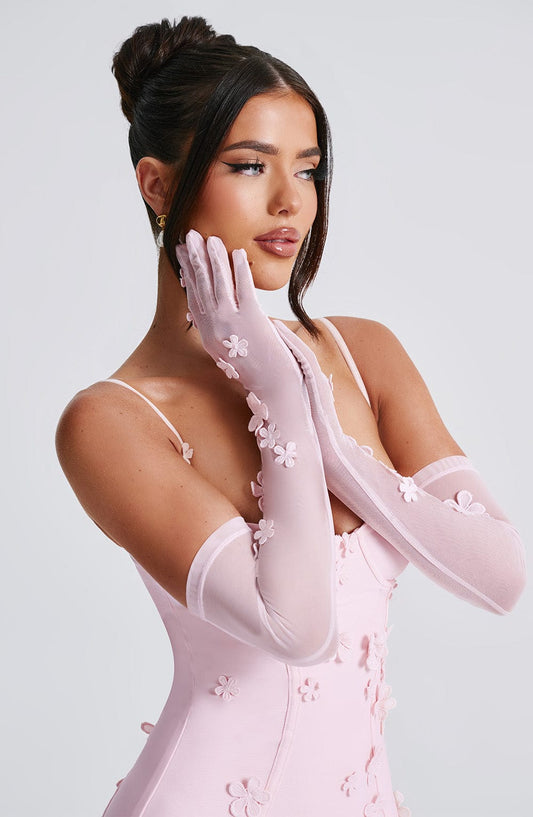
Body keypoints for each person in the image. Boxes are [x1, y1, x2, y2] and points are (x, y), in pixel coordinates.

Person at [55, 16, 526, 817]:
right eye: (248, 165)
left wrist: (328, 438)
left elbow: (501, 576)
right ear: (156, 185)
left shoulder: (361, 354)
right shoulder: (112, 422)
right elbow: (297, 628)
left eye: (307, 169)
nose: (289, 202)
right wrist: (278, 397)